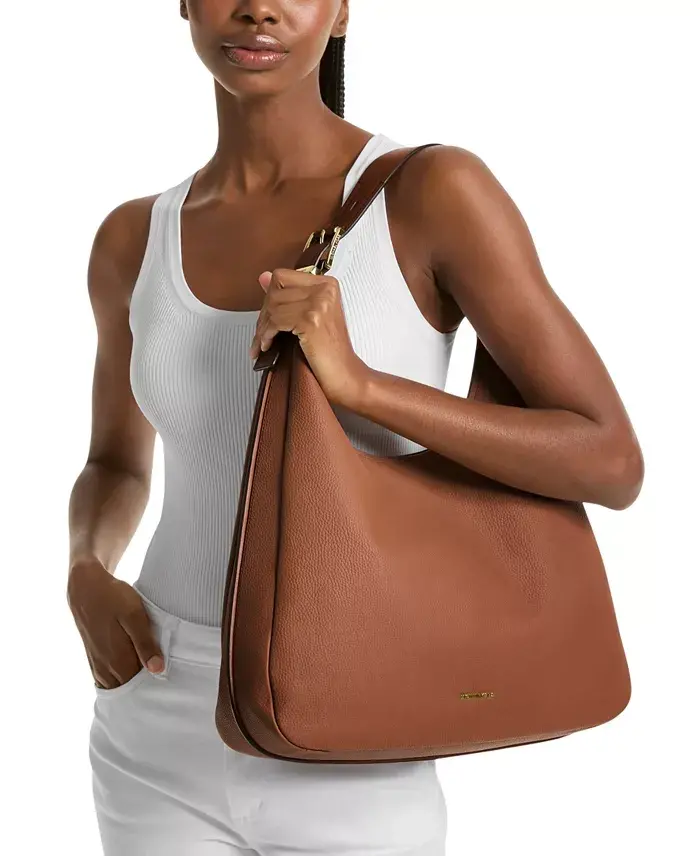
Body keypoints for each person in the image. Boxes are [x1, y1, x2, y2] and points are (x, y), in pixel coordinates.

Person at [66, 1, 644, 854]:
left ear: (339, 11)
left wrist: (363, 386)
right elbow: (115, 463)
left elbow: (610, 459)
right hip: (155, 709)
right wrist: (85, 566)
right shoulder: (131, 238)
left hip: (360, 720)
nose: (258, 7)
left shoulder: (431, 193)